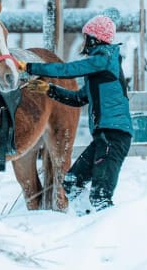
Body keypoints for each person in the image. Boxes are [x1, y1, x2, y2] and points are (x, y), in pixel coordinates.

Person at [18, 15, 133, 212]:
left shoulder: (104, 58)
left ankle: (111, 232)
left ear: (95, 39)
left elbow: (68, 69)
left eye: (86, 37)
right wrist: (48, 89)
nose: (84, 42)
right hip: (103, 137)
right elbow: (78, 98)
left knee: (100, 196)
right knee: (71, 184)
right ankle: (86, 221)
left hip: (114, 137)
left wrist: (30, 67)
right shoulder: (99, 70)